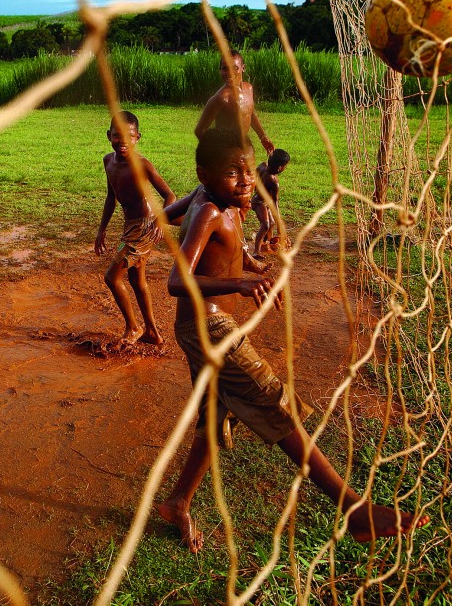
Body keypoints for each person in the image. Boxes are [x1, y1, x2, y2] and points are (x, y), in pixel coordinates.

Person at [157, 127, 429, 552]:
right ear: (204, 175)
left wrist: (249, 262)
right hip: (209, 329)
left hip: (203, 329)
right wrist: (241, 282)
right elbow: (177, 281)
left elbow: (212, 238)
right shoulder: (208, 208)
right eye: (233, 174)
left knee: (215, 417)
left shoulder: (229, 202)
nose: (246, 181)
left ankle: (178, 503)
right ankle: (353, 508)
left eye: (249, 171)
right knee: (272, 400)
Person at [94, 111, 176, 345]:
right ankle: (152, 331)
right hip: (130, 226)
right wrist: (101, 230)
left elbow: (169, 195)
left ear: (138, 137)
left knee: (112, 277)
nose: (123, 142)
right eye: (117, 136)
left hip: (145, 226)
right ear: (109, 135)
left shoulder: (142, 165)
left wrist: (160, 220)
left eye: (129, 137)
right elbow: (112, 197)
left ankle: (133, 327)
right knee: (137, 279)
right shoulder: (108, 161)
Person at [194, 51, 275, 157]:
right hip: (226, 150)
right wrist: (215, 151)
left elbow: (250, 112)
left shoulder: (249, 88)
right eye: (225, 69)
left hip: (243, 146)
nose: (229, 73)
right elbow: (200, 130)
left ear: (243, 68)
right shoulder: (221, 98)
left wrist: (262, 136)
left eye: (234, 68)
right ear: (220, 71)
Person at [251, 148, 291, 258]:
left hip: (258, 200)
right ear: (279, 168)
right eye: (285, 166)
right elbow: (275, 204)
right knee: (266, 225)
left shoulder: (262, 165)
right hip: (259, 202)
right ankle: (256, 251)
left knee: (271, 223)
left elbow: (254, 176)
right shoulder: (273, 181)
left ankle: (266, 243)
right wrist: (280, 225)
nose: (285, 168)